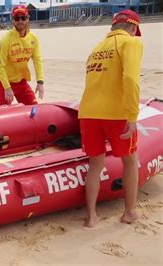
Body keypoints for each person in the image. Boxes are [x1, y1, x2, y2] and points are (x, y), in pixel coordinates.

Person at [78, 9, 143, 228]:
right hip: (115, 114)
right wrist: (132, 115)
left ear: (113, 27)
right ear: (133, 28)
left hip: (88, 112)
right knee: (130, 160)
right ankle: (129, 213)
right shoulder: (131, 43)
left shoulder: (96, 48)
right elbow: (131, 79)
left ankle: (91, 217)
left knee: (96, 164)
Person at [0, 5, 44, 106]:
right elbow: (0, 66)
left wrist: (40, 82)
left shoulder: (33, 38)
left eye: (23, 18)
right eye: (17, 18)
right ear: (12, 20)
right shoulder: (5, 41)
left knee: (34, 108)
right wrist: (7, 88)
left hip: (22, 82)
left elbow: (37, 60)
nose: (20, 21)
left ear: (28, 18)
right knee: (2, 113)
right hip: (4, 83)